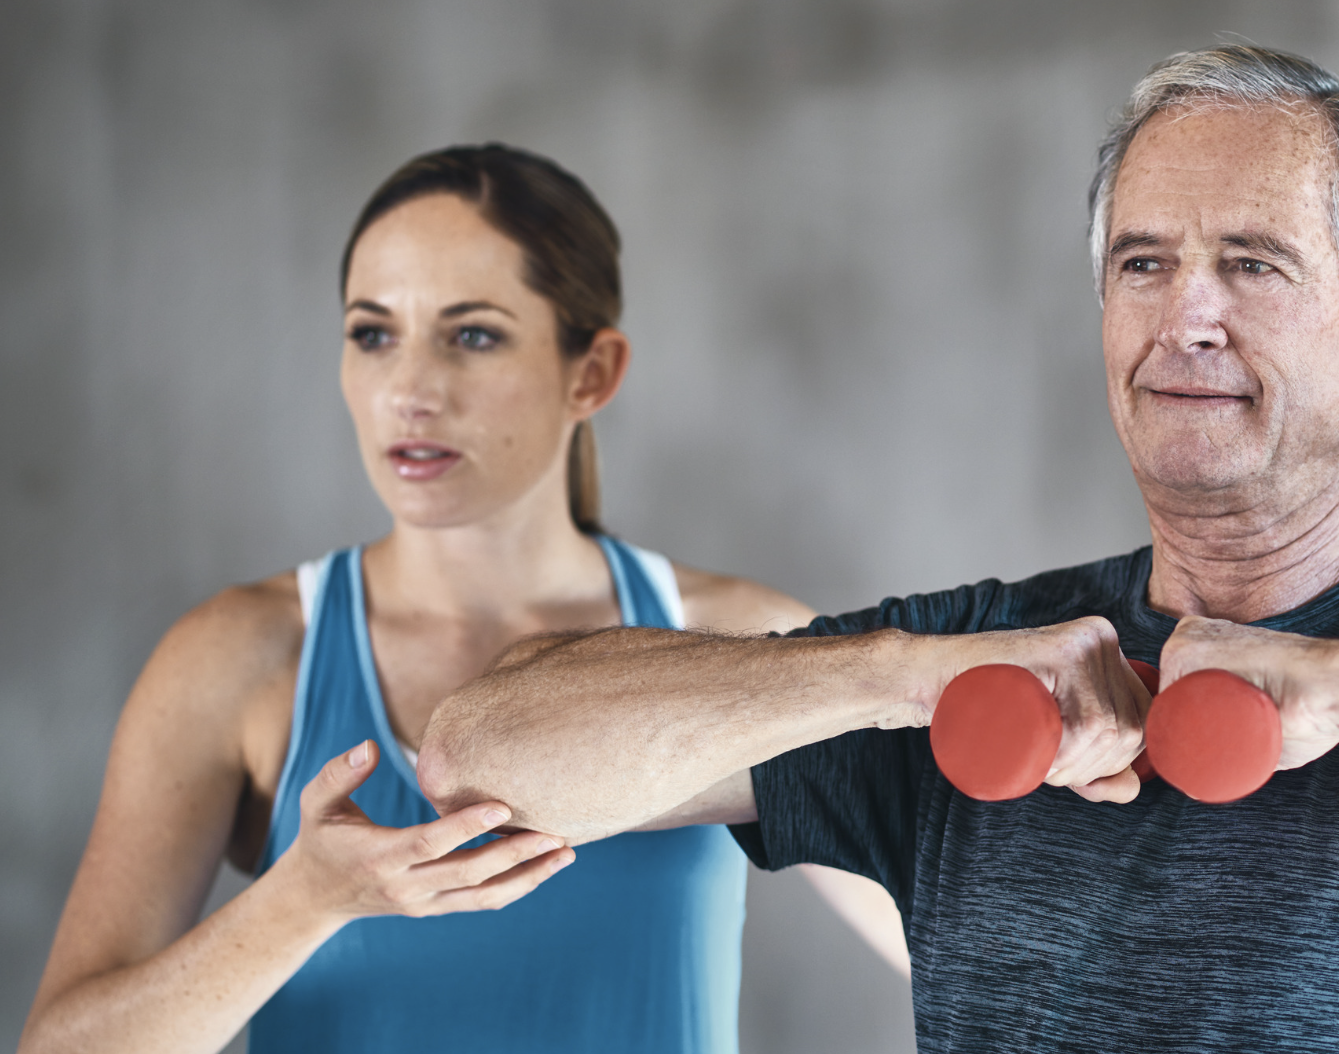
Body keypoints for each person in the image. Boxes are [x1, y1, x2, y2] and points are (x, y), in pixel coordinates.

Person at [414, 46, 1339, 1054]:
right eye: (1142, 263)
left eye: (1250, 263)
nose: (1185, 316)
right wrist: (905, 674)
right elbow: (485, 751)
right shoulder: (975, 657)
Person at [20, 144, 906, 1054]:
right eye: (373, 334)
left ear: (590, 373)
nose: (408, 390)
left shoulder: (742, 639)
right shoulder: (241, 660)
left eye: (471, 335)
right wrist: (303, 902)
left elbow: (963, 932)